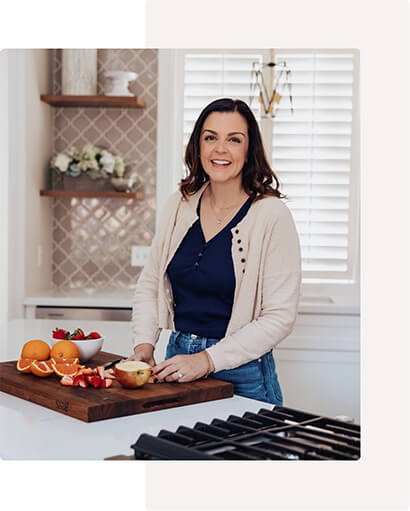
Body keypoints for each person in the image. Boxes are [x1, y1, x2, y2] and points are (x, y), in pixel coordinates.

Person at [129, 97, 301, 404]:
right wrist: (144, 347)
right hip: (176, 365)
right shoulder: (178, 205)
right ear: (198, 146)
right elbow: (150, 283)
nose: (220, 149)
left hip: (244, 374)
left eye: (234, 139)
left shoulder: (272, 215)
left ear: (250, 151)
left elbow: (279, 317)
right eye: (210, 138)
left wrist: (207, 360)